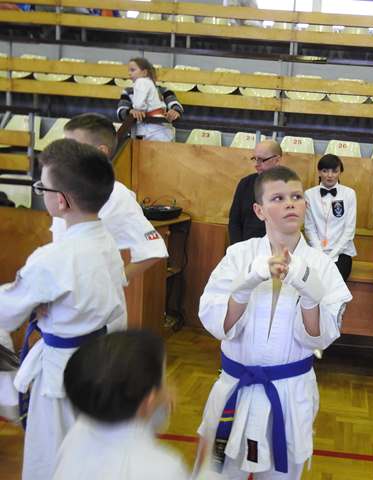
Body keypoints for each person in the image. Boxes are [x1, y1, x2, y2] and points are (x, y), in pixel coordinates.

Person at [194, 166, 352, 479]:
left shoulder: (322, 266)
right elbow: (218, 325)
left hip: (289, 392)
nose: (290, 203)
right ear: (259, 210)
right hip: (234, 387)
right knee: (216, 474)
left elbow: (319, 339)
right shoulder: (238, 256)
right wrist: (246, 284)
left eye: (296, 197)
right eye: (278, 198)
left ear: (305, 204)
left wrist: (309, 296)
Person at [0, 139, 127, 480]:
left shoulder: (53, 257)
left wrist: (33, 304)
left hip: (60, 377)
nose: (40, 192)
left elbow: (5, 313)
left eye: (42, 187)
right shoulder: (106, 242)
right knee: (89, 456)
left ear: (61, 200)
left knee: (52, 458)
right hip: (98, 365)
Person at [51, 113, 168, 287]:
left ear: (100, 152)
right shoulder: (64, 188)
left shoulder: (116, 194)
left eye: (73, 147)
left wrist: (115, 281)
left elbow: (153, 249)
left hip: (92, 296)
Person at [53, 330, 188, 479]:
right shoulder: (164, 469)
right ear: (148, 401)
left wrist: (159, 401)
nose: (168, 387)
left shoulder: (78, 432)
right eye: (163, 380)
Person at [304, 154, 357, 281]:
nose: (330, 175)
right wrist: (320, 253)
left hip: (342, 252)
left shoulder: (349, 194)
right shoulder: (309, 194)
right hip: (316, 251)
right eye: (325, 171)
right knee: (310, 280)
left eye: (334, 171)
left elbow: (349, 230)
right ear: (319, 172)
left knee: (333, 280)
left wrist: (332, 255)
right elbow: (309, 228)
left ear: (340, 172)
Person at [228, 139, 282, 245]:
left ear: (277, 160)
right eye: (255, 159)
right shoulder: (245, 183)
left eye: (261, 160)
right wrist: (238, 248)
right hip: (245, 248)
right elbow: (234, 221)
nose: (256, 165)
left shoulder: (287, 186)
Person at [116, 57, 183, 142]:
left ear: (144, 73)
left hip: (160, 133)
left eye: (133, 70)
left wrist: (175, 111)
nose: (129, 73)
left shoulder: (164, 90)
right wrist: (130, 112)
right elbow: (121, 111)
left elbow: (175, 104)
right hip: (137, 136)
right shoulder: (128, 91)